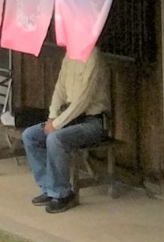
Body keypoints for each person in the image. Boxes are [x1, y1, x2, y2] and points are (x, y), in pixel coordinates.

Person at [22, 48, 110, 214]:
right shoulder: (70, 53)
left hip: (93, 121)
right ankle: (49, 187)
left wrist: (57, 124)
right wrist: (52, 117)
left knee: (55, 139)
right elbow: (59, 89)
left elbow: (84, 99)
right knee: (30, 135)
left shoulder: (93, 55)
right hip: (68, 118)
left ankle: (63, 193)